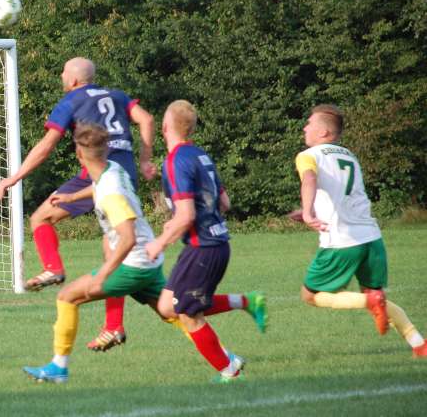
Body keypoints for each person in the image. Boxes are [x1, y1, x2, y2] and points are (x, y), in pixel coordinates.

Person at [0, 57, 156, 351]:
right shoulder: (117, 96)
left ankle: (53, 269)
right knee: (113, 248)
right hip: (125, 176)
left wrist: (15, 177)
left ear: (72, 80)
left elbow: (46, 146)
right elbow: (146, 119)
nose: (60, 76)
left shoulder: (71, 101)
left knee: (41, 218)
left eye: (63, 73)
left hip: (96, 175)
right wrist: (145, 159)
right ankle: (114, 327)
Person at [22, 123, 176, 383]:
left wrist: (105, 270)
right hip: (148, 260)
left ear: (78, 154)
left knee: (67, 297)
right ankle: (229, 355)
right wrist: (71, 199)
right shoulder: (112, 169)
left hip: (132, 263)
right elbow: (98, 186)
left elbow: (126, 238)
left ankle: (59, 368)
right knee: (172, 311)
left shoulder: (110, 193)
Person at [289, 104, 427, 358]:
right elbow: (343, 195)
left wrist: (308, 212)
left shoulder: (308, 155)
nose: (305, 127)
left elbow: (308, 179)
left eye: (309, 123)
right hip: (371, 238)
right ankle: (419, 343)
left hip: (341, 241)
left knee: (310, 295)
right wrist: (311, 209)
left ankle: (371, 303)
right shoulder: (348, 155)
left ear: (323, 133)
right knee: (375, 294)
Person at [145, 100, 266, 383]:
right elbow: (225, 202)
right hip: (216, 243)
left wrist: (160, 241)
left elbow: (186, 214)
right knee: (166, 306)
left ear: (164, 127)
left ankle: (229, 369)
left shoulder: (175, 161)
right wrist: (180, 219)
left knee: (188, 314)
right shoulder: (201, 156)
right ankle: (247, 302)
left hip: (203, 248)